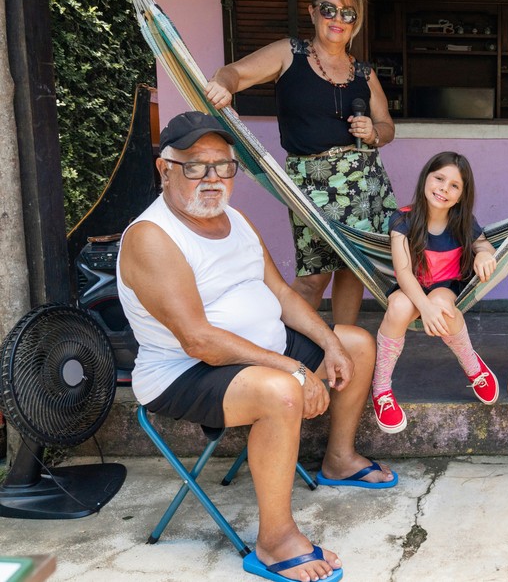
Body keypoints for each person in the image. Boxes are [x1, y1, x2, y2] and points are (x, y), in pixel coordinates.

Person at [117, 112, 397, 582]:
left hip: (260, 350)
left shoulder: (235, 219)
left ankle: (339, 459)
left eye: (223, 166)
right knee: (280, 392)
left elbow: (283, 295)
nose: (212, 178)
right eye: (195, 166)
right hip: (185, 372)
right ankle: (275, 541)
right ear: (164, 170)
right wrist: (292, 369)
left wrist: (328, 342)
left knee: (355, 344)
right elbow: (198, 340)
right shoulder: (152, 237)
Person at [205, 0, 397, 328]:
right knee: (313, 276)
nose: (338, 20)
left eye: (348, 13)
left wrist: (373, 132)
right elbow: (232, 73)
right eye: (329, 9)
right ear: (312, 12)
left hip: (364, 184)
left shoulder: (364, 72)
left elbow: (387, 127)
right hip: (311, 185)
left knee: (355, 270)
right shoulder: (288, 53)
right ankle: (291, 349)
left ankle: (344, 344)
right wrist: (222, 86)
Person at [370, 152, 500, 433]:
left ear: (461, 195)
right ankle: (381, 389)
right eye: (439, 178)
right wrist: (424, 308)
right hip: (410, 286)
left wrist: (483, 255)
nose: (444, 188)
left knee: (442, 304)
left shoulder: (462, 220)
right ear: (426, 178)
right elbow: (403, 273)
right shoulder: (403, 220)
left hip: (445, 286)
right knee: (400, 308)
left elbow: (483, 245)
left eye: (454, 185)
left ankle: (473, 368)